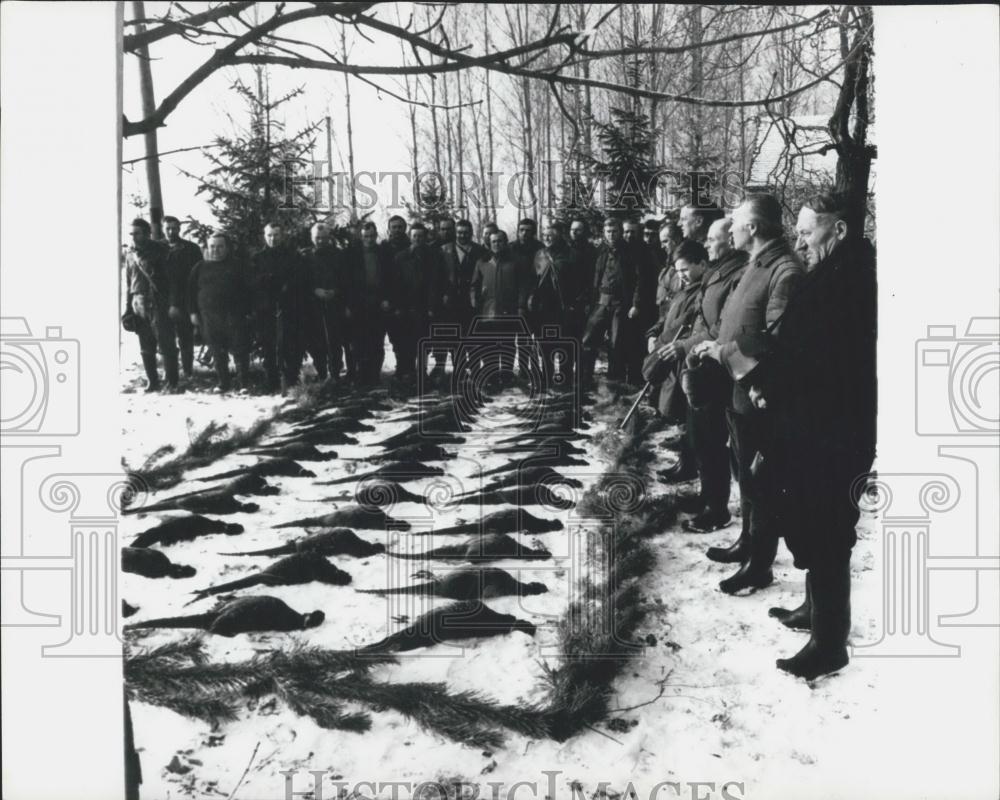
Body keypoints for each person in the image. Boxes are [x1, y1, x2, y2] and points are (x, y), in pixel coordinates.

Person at [743, 192, 876, 679]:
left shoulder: (854, 283)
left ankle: (829, 642)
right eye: (797, 232)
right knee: (813, 520)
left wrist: (772, 385)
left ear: (837, 231)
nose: (799, 240)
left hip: (834, 429)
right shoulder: (831, 275)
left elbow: (824, 362)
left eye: (807, 231)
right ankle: (813, 612)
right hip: (812, 423)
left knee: (828, 528)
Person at [690, 194, 804, 595]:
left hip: (759, 395)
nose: (731, 227)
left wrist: (722, 351)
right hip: (738, 392)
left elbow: (777, 342)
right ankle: (747, 543)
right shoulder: (755, 265)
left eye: (736, 221)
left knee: (761, 482)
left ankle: (759, 565)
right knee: (746, 476)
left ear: (752, 227)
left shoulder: (784, 270)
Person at [675, 217, 749, 530]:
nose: (707, 244)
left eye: (712, 239)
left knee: (713, 439)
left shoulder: (739, 272)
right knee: (700, 436)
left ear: (729, 241)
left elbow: (725, 323)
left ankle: (717, 509)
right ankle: (708, 496)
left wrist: (702, 345)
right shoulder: (722, 270)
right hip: (704, 360)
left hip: (720, 364)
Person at [643, 240, 708, 420]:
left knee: (679, 395)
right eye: (678, 271)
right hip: (666, 344)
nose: (681, 275)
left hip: (679, 347)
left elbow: (685, 321)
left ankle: (679, 428)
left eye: (685, 270)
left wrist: (663, 339)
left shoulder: (703, 291)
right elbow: (667, 315)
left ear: (702, 265)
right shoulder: (684, 289)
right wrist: (653, 333)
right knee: (665, 389)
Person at [581, 218, 644, 387]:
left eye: (614, 231)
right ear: (604, 233)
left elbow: (639, 279)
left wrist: (636, 304)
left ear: (620, 232)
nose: (611, 235)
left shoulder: (630, 252)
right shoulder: (599, 251)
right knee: (588, 339)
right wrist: (589, 300)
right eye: (608, 232)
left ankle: (614, 380)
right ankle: (585, 377)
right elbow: (592, 277)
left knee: (616, 343)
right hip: (601, 301)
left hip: (620, 302)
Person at [188, 232, 251, 392]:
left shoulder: (239, 266)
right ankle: (224, 383)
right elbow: (189, 292)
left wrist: (248, 311)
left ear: (227, 248)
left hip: (234, 316)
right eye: (212, 246)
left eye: (220, 246)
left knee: (240, 350)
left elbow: (250, 290)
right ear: (208, 248)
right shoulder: (200, 267)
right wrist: (193, 313)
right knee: (217, 350)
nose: (216, 250)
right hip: (209, 317)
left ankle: (244, 384)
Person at [469, 229, 534, 385]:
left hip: (509, 309)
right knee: (489, 343)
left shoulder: (516, 261)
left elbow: (523, 286)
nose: (497, 244)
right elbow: (474, 285)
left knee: (507, 342)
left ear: (505, 243)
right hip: (487, 311)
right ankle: (491, 372)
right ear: (489, 243)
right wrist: (474, 300)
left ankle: (506, 372)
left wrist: (520, 306)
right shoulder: (482, 262)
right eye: (493, 241)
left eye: (500, 241)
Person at [249, 222, 308, 392]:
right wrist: (268, 281)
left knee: (291, 344)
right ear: (264, 236)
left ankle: (291, 378)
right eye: (269, 235)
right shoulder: (257, 258)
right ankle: (271, 380)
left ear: (282, 236)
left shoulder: (292, 256)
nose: (273, 238)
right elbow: (253, 282)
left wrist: (286, 286)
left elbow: (299, 279)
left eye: (276, 235)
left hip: (289, 307)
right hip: (266, 309)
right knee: (268, 345)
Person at [125, 218, 176, 392]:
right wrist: (127, 309)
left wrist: (172, 303)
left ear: (147, 234)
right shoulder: (130, 254)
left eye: (137, 233)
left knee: (166, 344)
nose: (133, 237)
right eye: (131, 234)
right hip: (139, 302)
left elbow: (170, 280)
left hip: (158, 301)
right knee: (146, 345)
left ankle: (172, 382)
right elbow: (128, 284)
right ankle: (152, 381)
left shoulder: (160, 251)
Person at [301, 222, 354, 383]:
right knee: (316, 342)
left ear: (329, 238)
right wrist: (314, 290)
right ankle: (322, 372)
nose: (321, 241)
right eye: (317, 238)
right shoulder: (305, 256)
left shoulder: (339, 255)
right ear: (312, 238)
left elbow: (346, 279)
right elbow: (301, 282)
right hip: (313, 305)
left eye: (324, 238)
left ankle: (335, 373)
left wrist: (335, 292)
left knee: (334, 340)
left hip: (335, 303)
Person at [391, 223, 442, 382]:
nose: (418, 239)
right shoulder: (401, 257)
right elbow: (396, 284)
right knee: (407, 342)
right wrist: (399, 306)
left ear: (425, 237)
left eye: (421, 236)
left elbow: (436, 283)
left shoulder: (434, 256)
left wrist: (432, 306)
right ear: (410, 237)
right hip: (407, 307)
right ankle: (408, 372)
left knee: (424, 341)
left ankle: (422, 372)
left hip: (426, 307)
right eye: (415, 236)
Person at [437, 218, 487, 379]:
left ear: (471, 233)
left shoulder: (480, 251)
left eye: (466, 233)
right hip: (451, 302)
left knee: (473, 338)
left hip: (472, 302)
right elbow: (438, 276)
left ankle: (475, 371)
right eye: (459, 232)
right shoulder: (444, 250)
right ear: (455, 233)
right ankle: (459, 370)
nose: (462, 235)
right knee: (454, 338)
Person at [529, 221, 576, 386]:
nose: (547, 237)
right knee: (546, 345)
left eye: (552, 235)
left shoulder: (571, 253)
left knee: (565, 345)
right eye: (545, 234)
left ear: (560, 235)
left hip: (564, 307)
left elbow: (579, 281)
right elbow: (534, 279)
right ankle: (547, 379)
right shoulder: (540, 254)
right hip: (544, 308)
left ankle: (566, 380)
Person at [353, 222, 394, 385]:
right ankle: (362, 375)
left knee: (377, 341)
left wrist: (387, 298)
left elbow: (391, 278)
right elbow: (347, 282)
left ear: (376, 235)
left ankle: (374, 375)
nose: (368, 239)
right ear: (361, 237)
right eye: (365, 236)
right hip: (360, 303)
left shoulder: (383, 253)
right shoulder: (353, 254)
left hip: (379, 302)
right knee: (360, 341)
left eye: (371, 236)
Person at [162, 215, 202, 380]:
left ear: (179, 229)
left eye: (174, 228)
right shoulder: (157, 248)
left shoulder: (191, 249)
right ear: (163, 229)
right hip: (162, 299)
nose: (171, 232)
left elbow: (198, 275)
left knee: (185, 337)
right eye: (168, 228)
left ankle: (188, 371)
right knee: (165, 338)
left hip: (184, 298)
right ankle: (169, 371)